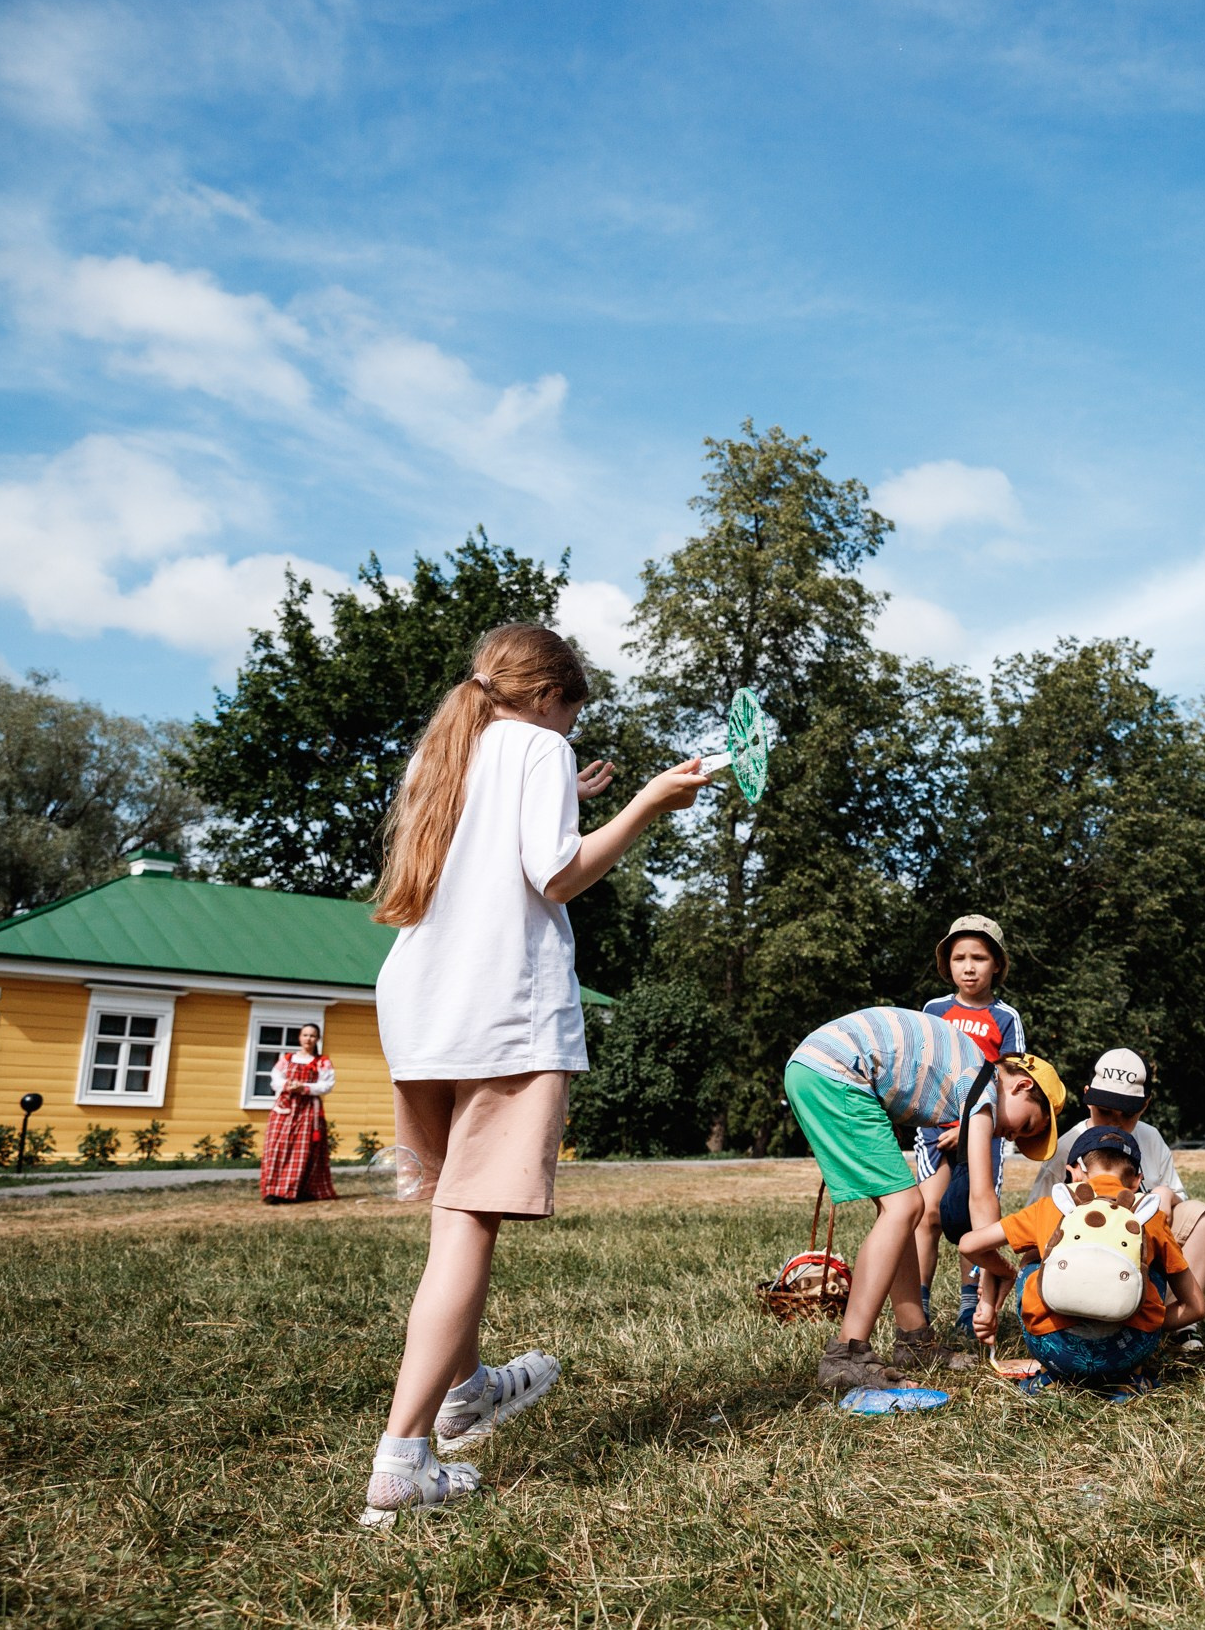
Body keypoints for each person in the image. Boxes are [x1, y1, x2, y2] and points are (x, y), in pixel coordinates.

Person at [362, 624, 710, 1527]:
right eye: (572, 712)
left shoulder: (453, 747)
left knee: (452, 1215)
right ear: (552, 696)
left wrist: (574, 791)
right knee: (465, 1226)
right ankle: (402, 1456)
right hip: (501, 1011)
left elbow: (492, 848)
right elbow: (553, 874)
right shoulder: (541, 746)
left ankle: (466, 1389)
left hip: (422, 1008)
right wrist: (643, 805)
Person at [783, 1006, 1065, 1391]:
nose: (1013, 1137)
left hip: (818, 1067)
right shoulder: (984, 1087)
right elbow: (981, 1197)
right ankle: (846, 1356)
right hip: (835, 1072)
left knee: (900, 1208)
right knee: (906, 1206)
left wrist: (990, 1266)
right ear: (1021, 1086)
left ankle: (914, 1340)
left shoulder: (970, 1076)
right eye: (1027, 1125)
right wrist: (997, 1267)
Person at [962, 1124, 1203, 1388]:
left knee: (1033, 1257)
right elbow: (1196, 1307)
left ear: (1073, 1172)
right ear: (1137, 1181)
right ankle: (1132, 1378)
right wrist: (1150, 1320)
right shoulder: (1151, 1217)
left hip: (1056, 1351)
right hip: (1126, 1352)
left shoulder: (1049, 1206)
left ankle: (1051, 1377)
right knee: (1152, 1266)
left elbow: (969, 1245)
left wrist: (1005, 1271)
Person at [1025, 1048, 1205, 1355]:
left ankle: (1179, 1325)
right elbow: (1034, 1224)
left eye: (1127, 1115)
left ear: (1146, 1105)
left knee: (1202, 1216)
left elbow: (1179, 1201)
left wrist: (1165, 1195)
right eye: (1105, 1111)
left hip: (1142, 1264)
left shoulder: (1151, 1138)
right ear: (1087, 1096)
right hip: (1081, 1274)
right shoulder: (1067, 1148)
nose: (1115, 1123)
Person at [914, 914, 1026, 1336]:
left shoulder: (1006, 1017)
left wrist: (972, 1127)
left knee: (972, 1220)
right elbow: (924, 1067)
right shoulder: (934, 1010)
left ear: (996, 963)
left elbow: (1011, 1080)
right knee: (929, 1214)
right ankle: (919, 1304)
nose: (969, 966)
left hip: (982, 1132)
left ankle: (971, 1304)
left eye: (979, 957)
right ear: (949, 965)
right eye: (959, 957)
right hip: (933, 1128)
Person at [258, 1023, 337, 1204]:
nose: (308, 1039)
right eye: (305, 1035)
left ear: (317, 1039)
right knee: (276, 1147)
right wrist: (288, 1085)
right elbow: (275, 1079)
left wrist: (305, 1087)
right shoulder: (286, 1058)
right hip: (284, 1108)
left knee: (301, 1150)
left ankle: (295, 1190)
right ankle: (273, 1191)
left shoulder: (322, 1062)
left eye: (312, 1036)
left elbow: (327, 1086)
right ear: (300, 1037)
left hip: (307, 1109)